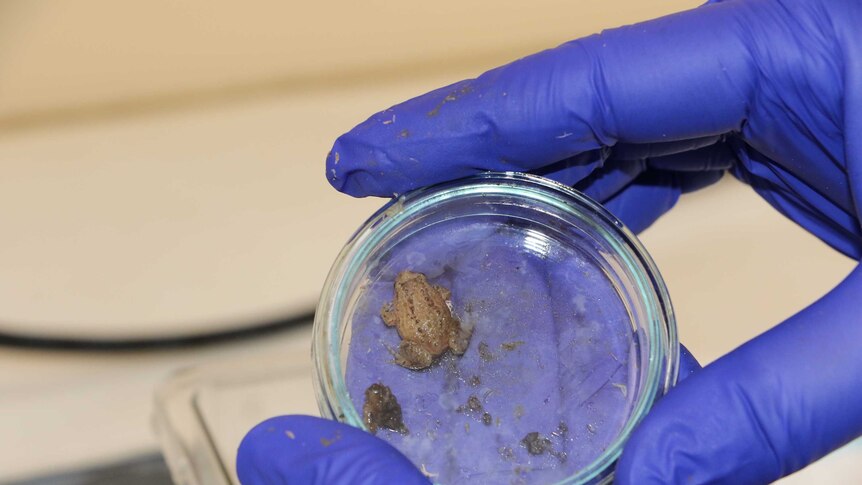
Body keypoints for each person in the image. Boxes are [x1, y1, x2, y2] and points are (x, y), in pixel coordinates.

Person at [237, 0, 862, 482]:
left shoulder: (407, 307)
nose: (406, 293)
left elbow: (412, 321)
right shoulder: (418, 306)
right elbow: (427, 322)